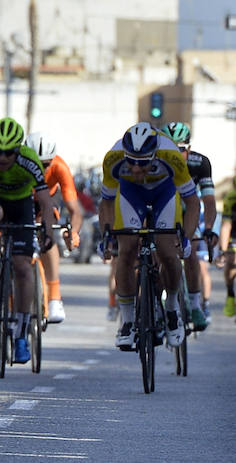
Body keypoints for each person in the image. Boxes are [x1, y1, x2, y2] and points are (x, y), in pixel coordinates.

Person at [98, 122, 199, 351]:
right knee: (126, 251)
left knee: (168, 252)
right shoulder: (113, 159)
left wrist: (187, 238)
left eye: (142, 163)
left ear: (154, 155)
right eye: (131, 161)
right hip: (131, 194)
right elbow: (106, 202)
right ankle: (128, 321)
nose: (135, 168)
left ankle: (172, 308)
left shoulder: (171, 156)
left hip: (164, 192)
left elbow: (193, 203)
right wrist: (106, 235)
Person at [0, 117, 55, 365]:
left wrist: (48, 231)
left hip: (22, 206)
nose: (2, 158)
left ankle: (21, 333)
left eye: (8, 153)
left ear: (18, 150)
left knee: (22, 267)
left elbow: (45, 201)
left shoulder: (30, 161)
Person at [160, 121, 217, 329]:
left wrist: (209, 227)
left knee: (190, 252)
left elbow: (209, 201)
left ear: (189, 149)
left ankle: (194, 306)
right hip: (162, 207)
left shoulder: (199, 163)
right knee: (155, 253)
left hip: (188, 210)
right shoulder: (156, 161)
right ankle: (155, 306)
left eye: (180, 150)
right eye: (170, 149)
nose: (175, 154)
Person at [23, 131, 83, 324]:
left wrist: (72, 232)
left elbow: (75, 211)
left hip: (47, 198)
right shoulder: (17, 163)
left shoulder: (60, 167)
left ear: (52, 161)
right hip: (22, 197)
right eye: (35, 163)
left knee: (47, 233)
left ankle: (55, 296)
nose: (40, 169)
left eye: (45, 165)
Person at [218, 176, 236, 319]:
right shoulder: (231, 198)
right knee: (231, 261)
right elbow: (226, 225)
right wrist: (223, 252)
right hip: (234, 232)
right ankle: (230, 293)